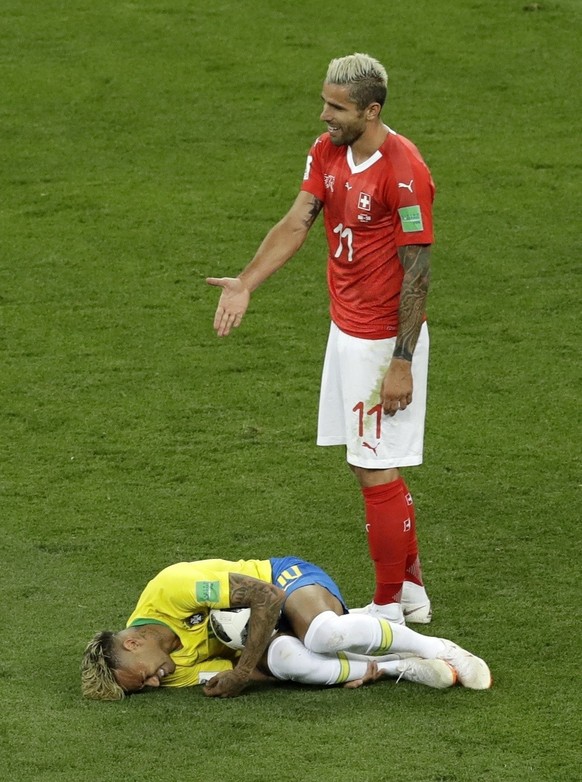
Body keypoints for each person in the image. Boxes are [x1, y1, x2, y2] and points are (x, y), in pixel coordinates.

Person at [207, 53, 436, 625]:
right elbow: (297, 221)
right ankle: (408, 590)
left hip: (382, 340)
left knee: (375, 467)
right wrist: (246, 283)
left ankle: (388, 609)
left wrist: (401, 363)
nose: (324, 114)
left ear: (371, 109)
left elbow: (419, 272)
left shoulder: (404, 173)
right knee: (368, 463)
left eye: (336, 107)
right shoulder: (327, 150)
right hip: (346, 330)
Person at [81, 555, 492, 700]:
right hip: (260, 634)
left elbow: (267, 598)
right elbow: (259, 670)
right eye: (145, 689)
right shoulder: (170, 673)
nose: (155, 684)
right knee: (288, 658)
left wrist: (240, 673)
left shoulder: (171, 590)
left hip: (283, 580)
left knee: (323, 635)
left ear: (133, 642)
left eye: (143, 677)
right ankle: (393, 664)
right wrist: (257, 672)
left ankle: (438, 647)